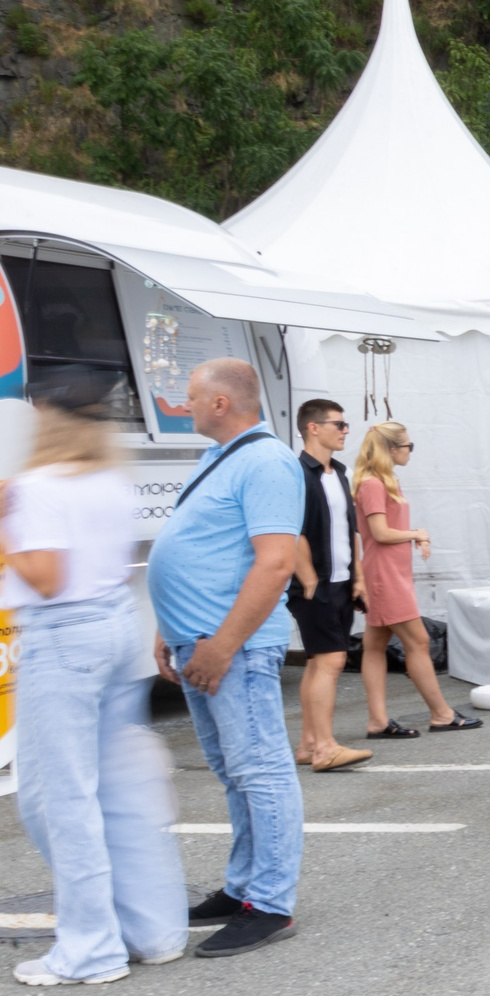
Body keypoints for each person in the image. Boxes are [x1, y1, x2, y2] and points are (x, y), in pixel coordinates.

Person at [6, 387, 188, 985]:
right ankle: (152, 931)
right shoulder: (110, 478)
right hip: (113, 624)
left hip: (64, 634)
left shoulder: (37, 487)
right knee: (116, 792)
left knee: (59, 797)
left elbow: (47, 578)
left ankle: (91, 949)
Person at [149, 358, 307, 958]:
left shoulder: (265, 461)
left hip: (231, 648)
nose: (181, 405)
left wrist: (221, 643)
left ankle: (269, 902)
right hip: (203, 641)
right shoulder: (223, 457)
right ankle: (244, 888)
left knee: (260, 771)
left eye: (190, 397)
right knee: (236, 773)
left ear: (220, 403)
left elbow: (275, 564)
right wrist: (172, 628)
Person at [350, 422, 476, 740]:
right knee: (417, 642)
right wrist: (417, 534)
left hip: (388, 573)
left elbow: (381, 530)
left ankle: (379, 720)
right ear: (392, 449)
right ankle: (441, 713)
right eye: (408, 446)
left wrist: (412, 536)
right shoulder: (374, 484)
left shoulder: (380, 481)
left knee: (375, 646)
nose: (410, 451)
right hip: (385, 576)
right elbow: (379, 533)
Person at [286, 397, 370, 772]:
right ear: (313, 428)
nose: (345, 430)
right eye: (338, 424)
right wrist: (307, 578)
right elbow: (292, 530)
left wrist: (359, 578)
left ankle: (308, 745)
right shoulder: (295, 473)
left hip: (341, 581)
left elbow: (351, 529)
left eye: (345, 424)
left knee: (319, 661)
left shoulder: (339, 472)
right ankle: (324, 747)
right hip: (313, 584)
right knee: (333, 660)